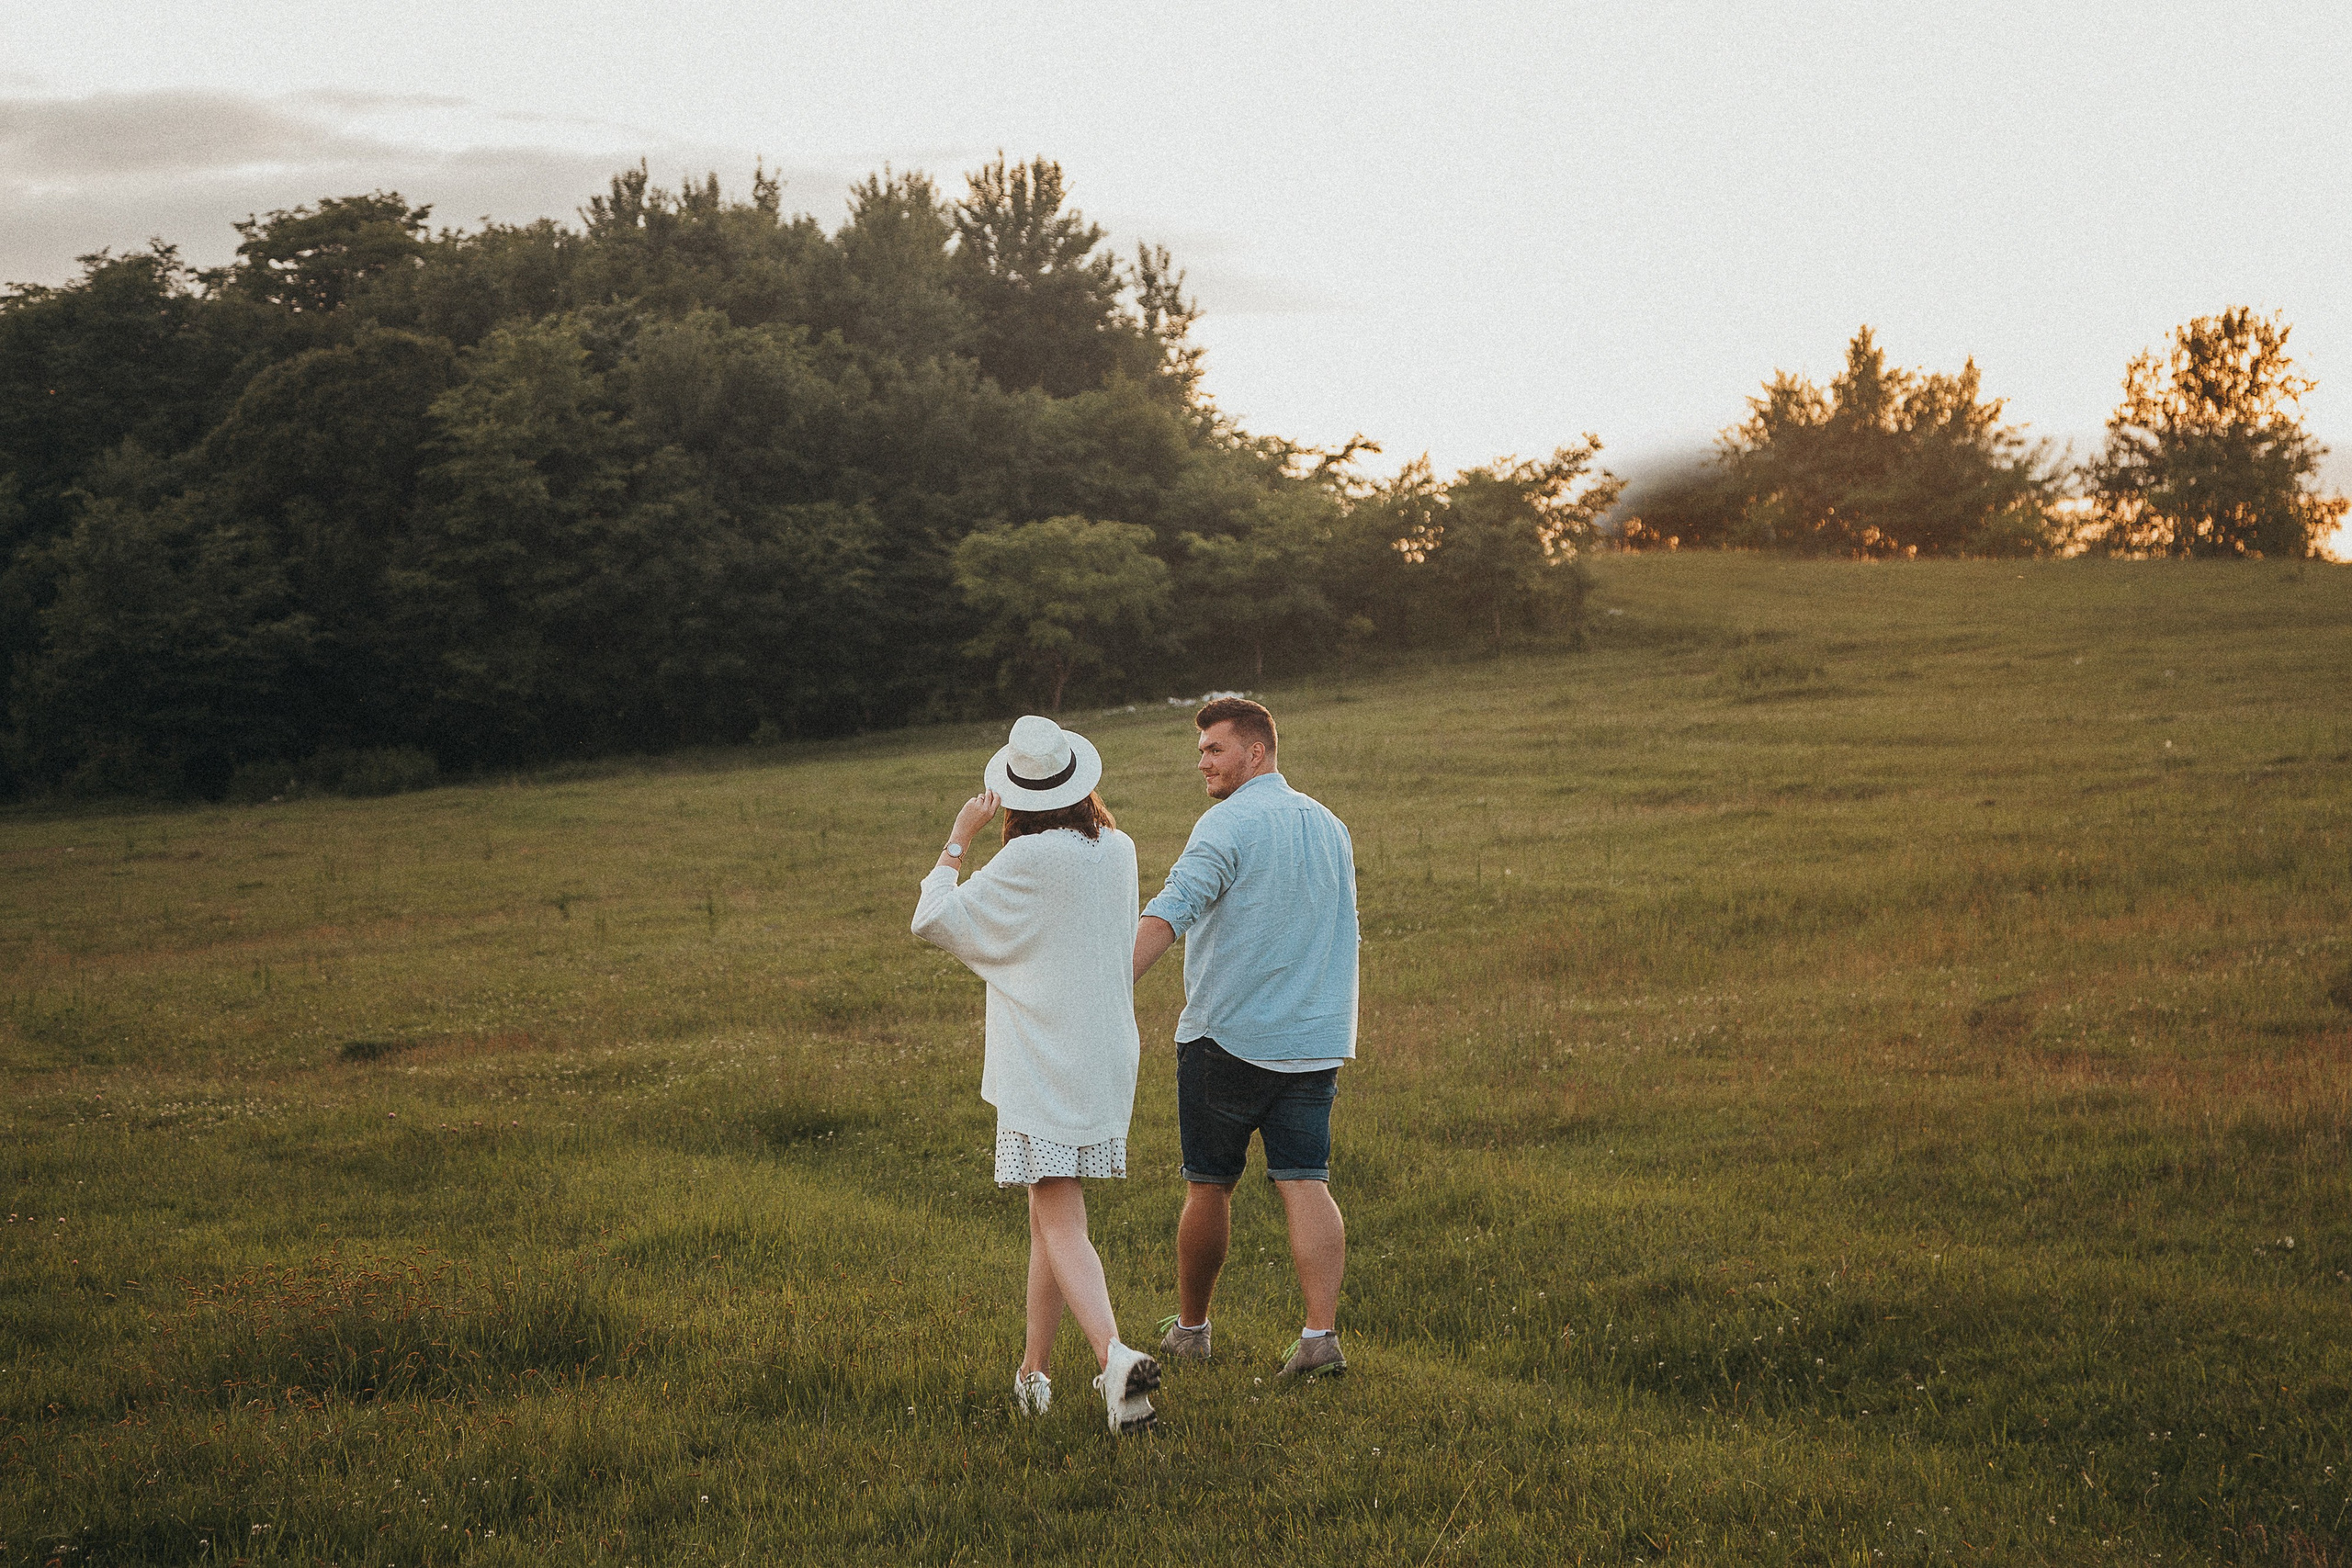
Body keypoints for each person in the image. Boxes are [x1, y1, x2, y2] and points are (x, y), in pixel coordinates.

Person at [910, 714, 1163, 1433]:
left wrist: (958, 836)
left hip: (1045, 1063)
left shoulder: (1026, 861)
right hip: (1105, 1055)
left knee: (1060, 1215)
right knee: (1046, 1217)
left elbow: (932, 919)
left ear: (1016, 792)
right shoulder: (1118, 849)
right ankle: (1033, 1372)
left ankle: (1115, 1359)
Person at [1132, 696, 1359, 1379]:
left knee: (1209, 1185)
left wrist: (1105, 988)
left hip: (1225, 1039)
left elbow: (1172, 908)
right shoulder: (1330, 824)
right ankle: (1320, 1336)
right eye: (1201, 750)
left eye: (1214, 749)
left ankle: (1193, 1330)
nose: (1202, 762)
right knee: (1305, 1180)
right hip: (1316, 1038)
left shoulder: (1225, 823)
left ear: (1255, 752)